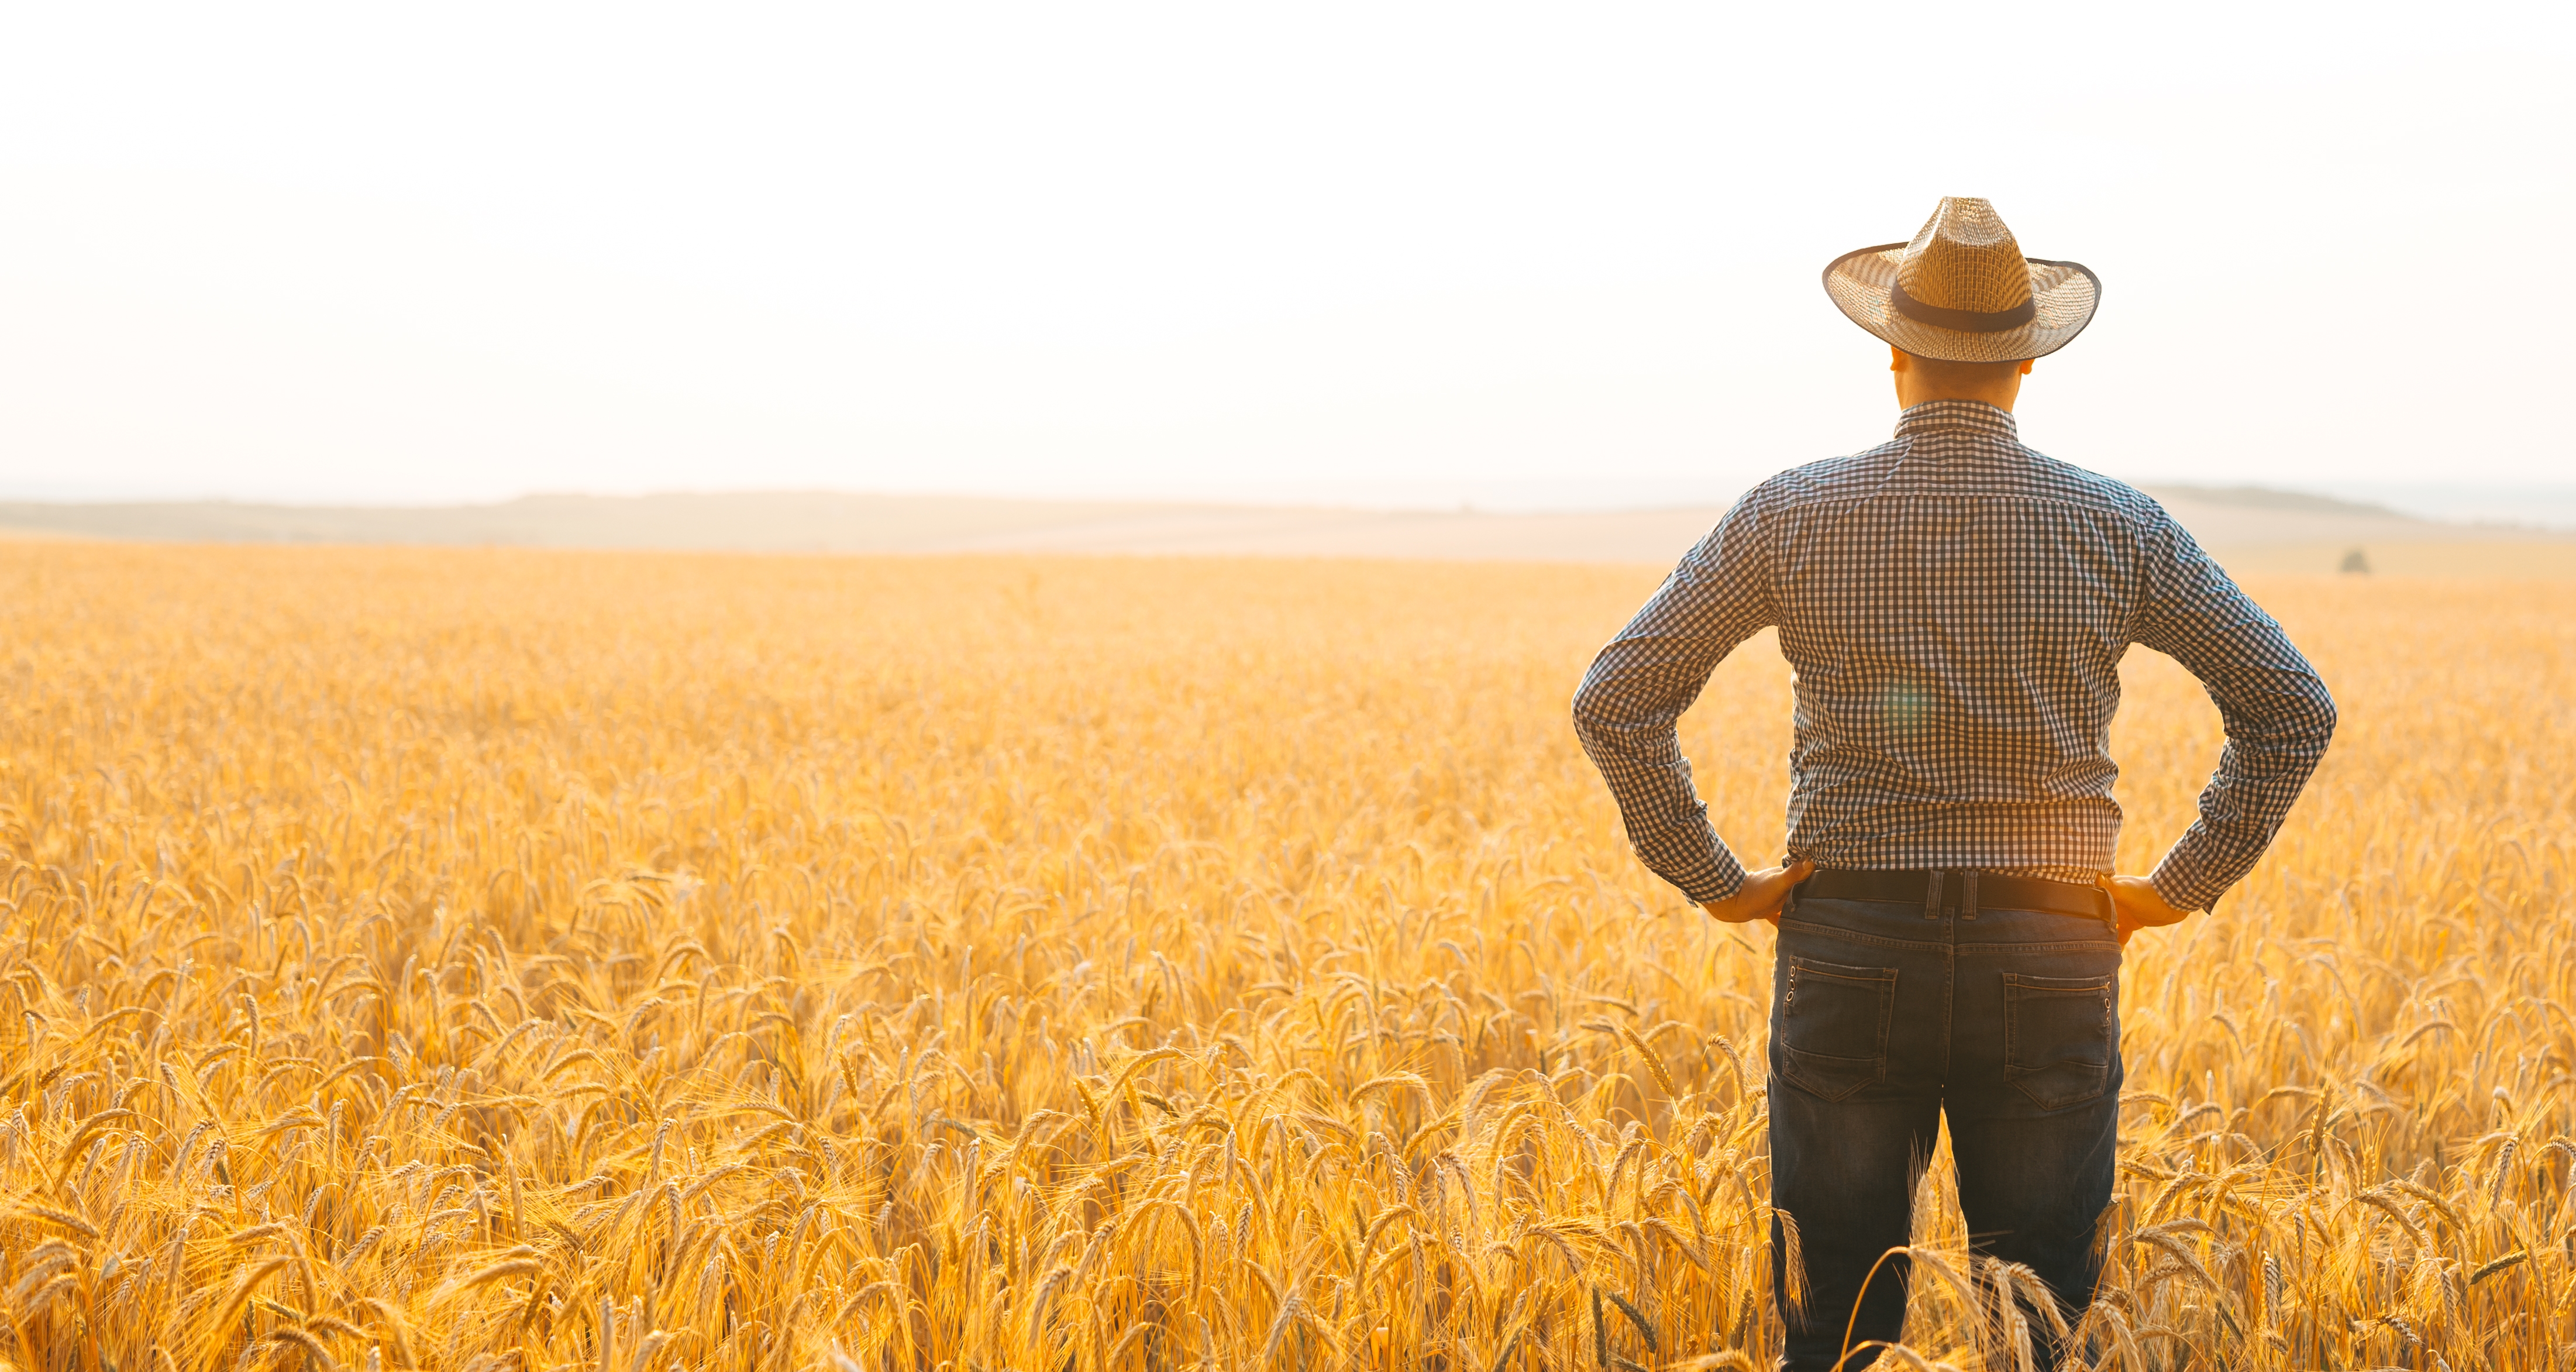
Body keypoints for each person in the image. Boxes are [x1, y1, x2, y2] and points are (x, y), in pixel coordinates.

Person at [1571, 197, 2335, 1370]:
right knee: (2036, 1331)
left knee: (1835, 1329)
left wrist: (1715, 880)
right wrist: (2179, 888)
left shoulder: (1793, 513)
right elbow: (2292, 707)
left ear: (1892, 353)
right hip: (2053, 940)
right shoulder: (2116, 524)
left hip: (1849, 934)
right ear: (2028, 362)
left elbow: (1615, 698)